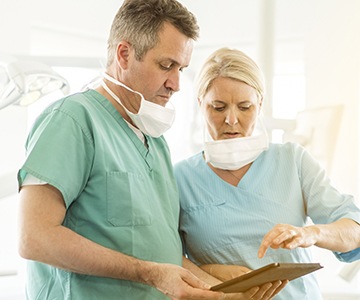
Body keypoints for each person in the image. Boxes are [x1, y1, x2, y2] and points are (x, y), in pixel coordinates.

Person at [16, 1, 284, 299]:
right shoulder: (73, 121)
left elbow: (159, 257)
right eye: (166, 65)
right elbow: (35, 238)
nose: (176, 84)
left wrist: (215, 285)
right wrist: (149, 273)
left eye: (181, 69)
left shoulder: (154, 142)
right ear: (124, 54)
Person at [174, 47, 360, 299]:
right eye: (218, 107)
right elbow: (165, 258)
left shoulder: (292, 160)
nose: (231, 119)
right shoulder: (180, 179)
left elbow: (354, 231)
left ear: (260, 104)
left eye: (244, 106)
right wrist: (208, 271)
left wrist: (310, 234)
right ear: (200, 104)